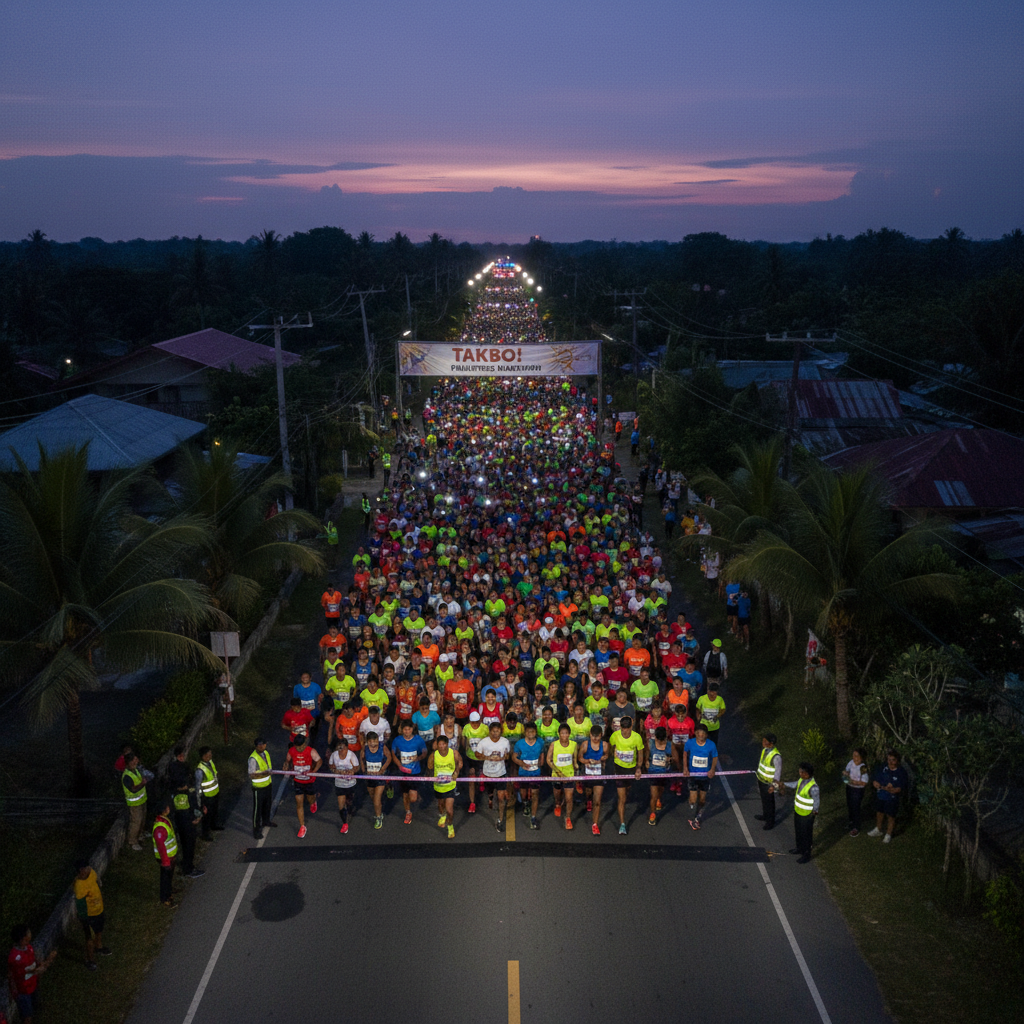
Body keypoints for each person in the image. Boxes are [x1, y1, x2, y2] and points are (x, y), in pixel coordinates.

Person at [8, 924, 56, 1023]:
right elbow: (19, 974)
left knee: (34, 1006)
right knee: (27, 1016)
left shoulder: (29, 948)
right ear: (23, 938)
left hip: (32, 985)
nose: (31, 933)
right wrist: (44, 965)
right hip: (23, 991)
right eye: (28, 932)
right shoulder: (14, 957)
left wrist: (43, 963)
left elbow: (34, 963)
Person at [168, 746, 203, 877]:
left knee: (186, 843)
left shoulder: (177, 772)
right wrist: (195, 816)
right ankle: (188, 868)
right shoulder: (181, 792)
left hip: (184, 816)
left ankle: (187, 865)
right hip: (186, 818)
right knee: (189, 843)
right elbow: (189, 802)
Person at [608, 715, 644, 835]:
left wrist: (638, 768)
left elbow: (640, 754)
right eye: (623, 729)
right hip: (619, 768)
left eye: (627, 729)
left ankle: (624, 796)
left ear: (631, 727)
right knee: (622, 798)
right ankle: (622, 824)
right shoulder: (615, 736)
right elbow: (610, 747)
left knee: (627, 791)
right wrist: (613, 755)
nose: (625, 731)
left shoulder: (637, 738)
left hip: (631, 768)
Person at [283, 732, 322, 838]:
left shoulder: (311, 751)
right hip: (298, 781)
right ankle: (302, 826)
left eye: (303, 746)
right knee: (299, 802)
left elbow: (319, 761)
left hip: (309, 781)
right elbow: (287, 761)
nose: (301, 748)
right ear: (295, 746)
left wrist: (314, 771)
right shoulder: (291, 751)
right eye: (299, 747)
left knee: (310, 799)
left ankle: (313, 802)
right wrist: (286, 766)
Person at [74, 860, 110, 970]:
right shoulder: (79, 885)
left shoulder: (91, 873)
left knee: (99, 930)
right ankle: (90, 960)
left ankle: (99, 947)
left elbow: (96, 879)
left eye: (86, 868)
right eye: (83, 869)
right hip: (89, 916)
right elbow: (80, 905)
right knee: (89, 938)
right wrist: (84, 918)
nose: (86, 870)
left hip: (99, 910)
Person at [478, 721, 512, 832]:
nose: (495, 733)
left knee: (501, 798)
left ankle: (500, 820)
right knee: (490, 792)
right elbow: (477, 754)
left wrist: (501, 758)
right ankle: (490, 798)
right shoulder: (483, 742)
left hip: (500, 773)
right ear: (490, 731)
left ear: (500, 732)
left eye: (497, 731)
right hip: (488, 773)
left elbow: (507, 755)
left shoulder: (505, 742)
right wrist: (487, 757)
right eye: (493, 731)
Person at [392, 719, 428, 824]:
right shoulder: (397, 740)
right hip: (403, 772)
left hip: (415, 772)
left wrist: (419, 757)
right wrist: (399, 765)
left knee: (413, 798)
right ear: (402, 730)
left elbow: (425, 751)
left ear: (412, 729)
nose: (407, 732)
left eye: (409, 729)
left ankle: (417, 795)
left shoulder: (418, 739)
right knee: (405, 794)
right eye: (405, 730)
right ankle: (408, 812)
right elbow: (393, 753)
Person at [683, 723, 718, 830]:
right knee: (693, 799)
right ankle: (693, 811)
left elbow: (715, 757)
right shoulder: (690, 743)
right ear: (695, 733)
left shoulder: (711, 745)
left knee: (702, 800)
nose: (701, 735)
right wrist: (685, 767)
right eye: (699, 733)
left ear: (706, 735)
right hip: (693, 776)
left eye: (703, 733)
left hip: (705, 777)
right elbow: (685, 753)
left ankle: (697, 817)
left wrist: (712, 769)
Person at [869, 750, 908, 843]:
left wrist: (892, 789)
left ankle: (888, 834)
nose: (890, 762)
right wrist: (875, 783)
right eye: (888, 759)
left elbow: (899, 788)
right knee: (879, 812)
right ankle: (878, 829)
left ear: (897, 761)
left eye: (893, 760)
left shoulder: (901, 772)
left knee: (891, 816)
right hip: (881, 795)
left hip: (892, 798)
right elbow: (875, 779)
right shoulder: (883, 767)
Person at [428, 733, 462, 839]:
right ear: (437, 745)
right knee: (440, 805)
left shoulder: (454, 753)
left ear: (447, 744)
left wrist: (456, 771)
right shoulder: (434, 755)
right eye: (440, 745)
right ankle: (442, 815)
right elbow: (429, 767)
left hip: (450, 786)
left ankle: (450, 826)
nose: (442, 746)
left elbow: (460, 763)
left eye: (444, 744)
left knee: (450, 810)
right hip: (438, 786)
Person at [512, 721, 544, 830]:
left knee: (535, 795)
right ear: (525, 732)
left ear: (535, 732)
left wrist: (541, 762)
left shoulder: (540, 742)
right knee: (524, 794)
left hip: (536, 773)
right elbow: (514, 757)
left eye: (533, 731)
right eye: (528, 731)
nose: (531, 733)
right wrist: (521, 763)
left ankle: (533, 817)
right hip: (523, 773)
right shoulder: (519, 743)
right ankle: (526, 804)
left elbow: (542, 753)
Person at [784, 762, 820, 863]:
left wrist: (814, 812)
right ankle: (799, 848)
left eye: (801, 771)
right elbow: (794, 784)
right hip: (798, 812)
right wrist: (784, 784)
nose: (799, 773)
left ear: (806, 773)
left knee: (806, 835)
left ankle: (806, 854)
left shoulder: (813, 787)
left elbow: (816, 801)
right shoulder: (801, 780)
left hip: (807, 815)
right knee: (798, 831)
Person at [548, 722, 578, 830]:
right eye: (562, 733)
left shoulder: (574, 745)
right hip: (556, 775)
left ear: (569, 734)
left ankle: (568, 818)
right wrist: (557, 772)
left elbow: (574, 760)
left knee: (569, 798)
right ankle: (557, 804)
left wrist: (576, 766)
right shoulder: (553, 745)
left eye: (566, 733)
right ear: (559, 734)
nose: (564, 736)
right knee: (557, 794)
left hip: (569, 775)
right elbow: (548, 760)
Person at [360, 730, 393, 829]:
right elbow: (361, 760)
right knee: (373, 797)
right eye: (371, 741)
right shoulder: (364, 749)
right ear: (367, 741)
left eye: (375, 741)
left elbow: (389, 758)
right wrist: (364, 771)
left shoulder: (383, 747)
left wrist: (382, 769)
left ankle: (378, 817)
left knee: (376, 800)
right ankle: (386, 790)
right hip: (370, 778)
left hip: (380, 777)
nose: (373, 743)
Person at [581, 725, 609, 835]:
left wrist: (602, 759)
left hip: (599, 774)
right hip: (588, 773)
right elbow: (580, 758)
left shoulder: (605, 745)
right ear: (590, 735)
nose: (595, 739)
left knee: (597, 801)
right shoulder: (585, 744)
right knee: (588, 793)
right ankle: (588, 800)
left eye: (597, 737)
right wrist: (587, 761)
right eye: (593, 736)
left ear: (601, 735)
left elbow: (607, 755)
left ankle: (595, 824)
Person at [462, 710, 490, 814]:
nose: (475, 724)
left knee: (482, 777)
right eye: (473, 722)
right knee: (471, 780)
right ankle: (472, 803)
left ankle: (482, 782)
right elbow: (464, 742)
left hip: (482, 758)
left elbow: (488, 741)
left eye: (477, 722)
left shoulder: (484, 728)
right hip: (470, 758)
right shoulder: (466, 728)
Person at [329, 737, 359, 834]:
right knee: (341, 806)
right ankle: (344, 823)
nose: (341, 751)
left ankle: (350, 809)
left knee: (349, 802)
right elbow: (331, 766)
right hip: (340, 784)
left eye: (343, 748)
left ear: (346, 747)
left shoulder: (352, 756)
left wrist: (351, 772)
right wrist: (335, 771)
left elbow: (356, 768)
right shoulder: (334, 755)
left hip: (350, 784)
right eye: (339, 748)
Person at [152, 798, 179, 906]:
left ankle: (169, 891)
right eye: (167, 807)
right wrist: (166, 862)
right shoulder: (160, 828)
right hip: (165, 858)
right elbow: (161, 847)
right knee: (165, 878)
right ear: (164, 810)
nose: (169, 808)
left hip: (170, 856)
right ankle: (165, 898)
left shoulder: (164, 820)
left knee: (169, 876)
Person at [121, 753, 150, 851]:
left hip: (142, 800)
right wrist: (143, 783)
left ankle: (140, 835)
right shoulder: (126, 776)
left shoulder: (136, 770)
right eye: (133, 760)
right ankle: (132, 841)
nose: (136, 762)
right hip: (134, 804)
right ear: (128, 763)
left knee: (142, 820)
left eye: (136, 759)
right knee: (136, 822)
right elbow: (133, 789)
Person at [248, 737, 276, 839]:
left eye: (263, 744)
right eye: (260, 745)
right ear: (256, 746)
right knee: (257, 810)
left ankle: (266, 821)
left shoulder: (266, 753)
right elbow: (251, 775)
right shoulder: (253, 758)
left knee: (267, 805)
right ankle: (256, 830)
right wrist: (264, 774)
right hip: (258, 788)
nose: (262, 746)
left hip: (268, 784)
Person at [754, 732, 782, 831]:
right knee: (764, 800)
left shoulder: (776, 757)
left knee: (770, 803)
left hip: (769, 784)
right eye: (763, 740)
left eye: (766, 741)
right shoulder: (764, 750)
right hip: (761, 780)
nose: (763, 742)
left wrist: (773, 786)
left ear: (771, 743)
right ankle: (765, 815)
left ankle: (770, 822)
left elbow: (777, 774)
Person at [195, 746, 223, 840]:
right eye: (207, 755)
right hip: (207, 797)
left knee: (214, 812)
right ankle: (205, 834)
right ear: (202, 756)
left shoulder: (210, 762)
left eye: (210, 754)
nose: (209, 756)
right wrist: (199, 802)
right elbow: (198, 787)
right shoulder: (200, 770)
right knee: (206, 816)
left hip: (215, 793)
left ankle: (214, 826)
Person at [647, 726, 671, 825]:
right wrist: (646, 762)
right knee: (653, 795)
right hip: (653, 773)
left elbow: (674, 757)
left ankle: (658, 799)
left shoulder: (669, 745)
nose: (661, 742)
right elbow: (647, 755)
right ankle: (653, 814)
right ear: (655, 738)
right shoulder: (651, 744)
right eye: (659, 740)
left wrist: (670, 760)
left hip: (664, 773)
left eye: (663, 740)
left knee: (660, 791)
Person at [843, 747, 870, 837]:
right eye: (853, 755)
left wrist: (853, 782)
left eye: (856, 756)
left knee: (855, 807)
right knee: (850, 806)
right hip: (849, 788)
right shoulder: (851, 763)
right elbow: (846, 772)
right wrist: (845, 774)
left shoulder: (862, 767)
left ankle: (856, 827)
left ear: (861, 757)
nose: (854, 757)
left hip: (858, 790)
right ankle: (851, 823)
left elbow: (864, 782)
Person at [695, 681, 726, 751]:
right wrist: (698, 717)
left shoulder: (719, 700)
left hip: (714, 727)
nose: (712, 694)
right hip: (704, 726)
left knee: (713, 744)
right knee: (702, 742)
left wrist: (718, 716)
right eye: (711, 691)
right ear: (708, 691)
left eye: (714, 692)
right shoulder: (702, 699)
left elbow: (723, 709)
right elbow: (698, 708)